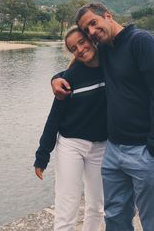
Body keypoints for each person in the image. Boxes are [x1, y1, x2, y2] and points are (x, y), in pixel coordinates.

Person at [52, 3, 154, 231]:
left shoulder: (142, 42)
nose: (92, 32)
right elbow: (83, 67)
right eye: (86, 30)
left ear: (108, 16)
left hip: (145, 150)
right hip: (114, 151)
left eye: (93, 23)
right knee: (115, 218)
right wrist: (56, 78)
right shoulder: (107, 49)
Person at [34, 26, 107, 231]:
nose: (80, 49)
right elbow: (54, 117)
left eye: (82, 42)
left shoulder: (112, 66)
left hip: (102, 147)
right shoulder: (70, 77)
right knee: (67, 209)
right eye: (74, 48)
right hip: (71, 145)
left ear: (91, 39)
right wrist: (42, 155)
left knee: (97, 207)